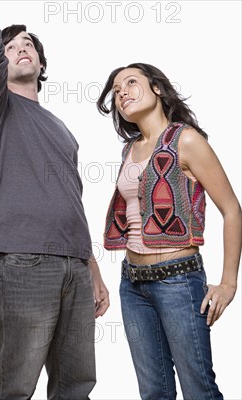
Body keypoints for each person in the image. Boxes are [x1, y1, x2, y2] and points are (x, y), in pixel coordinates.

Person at [0, 1, 110, 399]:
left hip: (75, 266)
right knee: (17, 383)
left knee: (77, 384)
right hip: (21, 259)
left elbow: (71, 203)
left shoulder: (63, 130)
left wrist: (92, 270)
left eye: (27, 43)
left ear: (42, 63)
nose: (20, 48)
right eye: (10, 46)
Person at [97, 62, 242, 399]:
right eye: (117, 91)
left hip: (178, 280)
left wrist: (229, 283)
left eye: (131, 83)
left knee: (198, 389)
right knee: (153, 392)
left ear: (157, 88)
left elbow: (232, 209)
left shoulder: (185, 140)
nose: (122, 94)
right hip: (132, 284)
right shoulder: (129, 149)